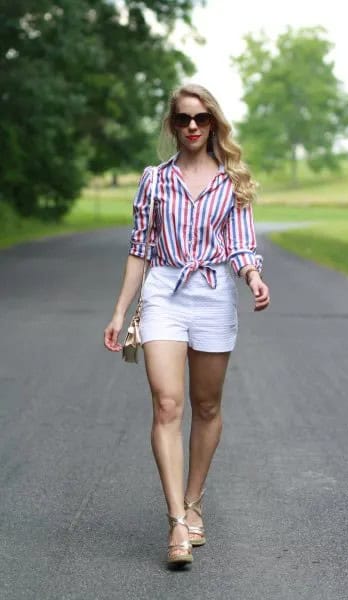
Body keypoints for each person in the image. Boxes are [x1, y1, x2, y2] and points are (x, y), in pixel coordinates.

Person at [103, 83, 270, 567]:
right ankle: (177, 521)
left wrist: (254, 276)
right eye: (183, 119)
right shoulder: (154, 180)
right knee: (168, 403)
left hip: (215, 294)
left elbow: (240, 243)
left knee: (207, 403)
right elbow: (139, 249)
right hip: (163, 294)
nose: (192, 127)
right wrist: (119, 312)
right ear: (172, 126)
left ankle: (195, 501)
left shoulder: (232, 179)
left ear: (213, 123)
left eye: (201, 118)